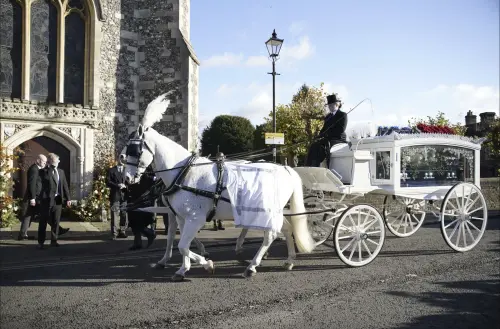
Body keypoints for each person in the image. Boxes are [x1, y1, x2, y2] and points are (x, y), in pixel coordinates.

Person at [18, 154, 69, 241]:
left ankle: (22, 234)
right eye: (43, 161)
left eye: (46, 162)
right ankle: (56, 231)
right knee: (41, 215)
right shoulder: (34, 169)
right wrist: (33, 198)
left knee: (31, 215)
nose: (45, 163)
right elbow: (32, 184)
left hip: (39, 197)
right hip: (34, 197)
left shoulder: (41, 169)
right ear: (38, 160)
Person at [37, 153, 72, 249]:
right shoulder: (43, 171)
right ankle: (41, 242)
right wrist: (50, 167)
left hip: (58, 199)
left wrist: (68, 198)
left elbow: (65, 186)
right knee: (43, 221)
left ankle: (54, 240)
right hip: (46, 200)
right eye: (57, 160)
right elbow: (43, 182)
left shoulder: (61, 171)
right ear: (52, 161)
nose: (59, 161)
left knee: (56, 221)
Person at [306, 93, 348, 167]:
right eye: (329, 105)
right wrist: (318, 136)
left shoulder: (342, 115)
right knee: (314, 145)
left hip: (339, 139)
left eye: (331, 105)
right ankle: (309, 166)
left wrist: (327, 134)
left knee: (323, 147)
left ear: (337, 104)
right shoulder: (328, 116)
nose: (330, 107)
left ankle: (326, 165)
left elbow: (341, 129)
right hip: (328, 138)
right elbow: (324, 129)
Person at [127, 168, 156, 250]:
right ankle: (137, 243)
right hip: (133, 198)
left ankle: (149, 233)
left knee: (139, 222)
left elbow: (149, 184)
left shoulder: (147, 171)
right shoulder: (132, 170)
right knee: (133, 222)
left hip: (142, 201)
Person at [106, 158, 128, 239]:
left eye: (124, 158)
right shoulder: (111, 170)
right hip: (115, 195)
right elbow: (108, 182)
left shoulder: (127, 170)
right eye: (121, 158)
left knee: (124, 214)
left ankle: (122, 231)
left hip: (124, 195)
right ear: (118, 159)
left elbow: (131, 181)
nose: (123, 160)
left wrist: (126, 185)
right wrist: (117, 185)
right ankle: (114, 233)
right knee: (114, 214)